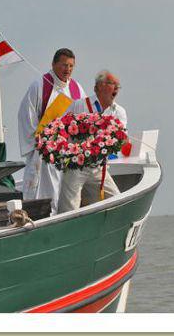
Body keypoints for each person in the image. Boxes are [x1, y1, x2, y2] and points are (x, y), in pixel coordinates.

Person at [18, 48, 86, 215]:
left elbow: (83, 117)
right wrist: (40, 140)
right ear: (54, 64)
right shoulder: (40, 85)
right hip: (45, 152)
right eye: (64, 65)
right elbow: (26, 115)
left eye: (71, 66)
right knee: (47, 192)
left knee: (66, 193)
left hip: (68, 151)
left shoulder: (77, 88)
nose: (67, 69)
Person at [57, 70, 127, 214]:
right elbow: (61, 128)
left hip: (98, 168)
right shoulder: (79, 105)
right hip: (76, 166)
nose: (116, 88)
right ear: (100, 86)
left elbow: (122, 137)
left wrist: (120, 139)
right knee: (69, 208)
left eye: (118, 86)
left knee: (117, 201)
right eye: (112, 84)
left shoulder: (119, 111)